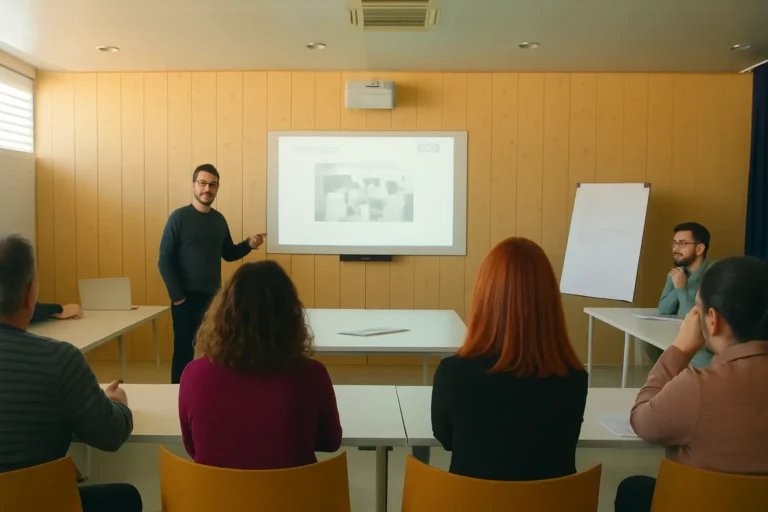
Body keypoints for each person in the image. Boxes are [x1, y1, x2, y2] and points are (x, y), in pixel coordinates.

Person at [616, 256, 768, 512]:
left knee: (633, 490)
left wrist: (680, 349)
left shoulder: (698, 387)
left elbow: (643, 421)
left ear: (713, 319)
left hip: (700, 504)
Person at [0, 234, 140, 511]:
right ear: (30, 295)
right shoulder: (60, 361)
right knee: (128, 498)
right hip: (41, 502)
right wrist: (117, 402)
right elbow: (111, 435)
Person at [430, 237, 588, 481]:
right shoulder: (574, 377)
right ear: (548, 300)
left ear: (485, 296)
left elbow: (447, 439)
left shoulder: (453, 373)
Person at [178, 260, 342, 469]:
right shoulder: (312, 374)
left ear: (222, 313)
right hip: (293, 499)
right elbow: (330, 441)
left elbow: (193, 447)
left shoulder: (194, 374)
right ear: (290, 314)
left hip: (215, 500)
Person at [158, 164, 266, 384]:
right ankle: (178, 395)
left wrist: (249, 244)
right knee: (184, 353)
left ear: (217, 188)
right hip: (184, 300)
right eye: (203, 183)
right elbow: (164, 262)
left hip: (214, 300)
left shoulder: (219, 220)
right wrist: (177, 298)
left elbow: (228, 253)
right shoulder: (178, 218)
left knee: (214, 351)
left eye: (212, 185)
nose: (207, 189)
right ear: (194, 186)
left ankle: (207, 393)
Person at [650, 222, 715, 367]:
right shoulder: (677, 273)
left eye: (682, 244)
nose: (676, 249)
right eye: (674, 244)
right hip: (679, 334)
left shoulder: (714, 273)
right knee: (648, 344)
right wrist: (678, 284)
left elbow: (695, 316)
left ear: (699, 248)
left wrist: (681, 288)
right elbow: (664, 309)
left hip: (704, 341)